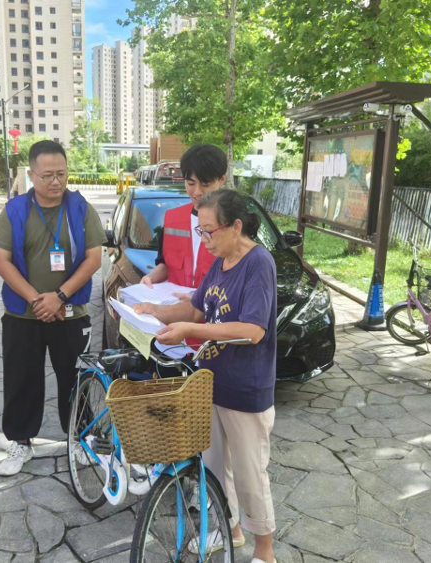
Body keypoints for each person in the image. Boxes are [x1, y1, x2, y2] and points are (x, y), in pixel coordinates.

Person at [135, 189, 277, 563]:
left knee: (250, 474)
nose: (205, 241)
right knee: (214, 470)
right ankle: (229, 531)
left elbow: (253, 329)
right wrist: (149, 310)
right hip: (210, 382)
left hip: (246, 388)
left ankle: (266, 552)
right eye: (201, 232)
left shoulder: (258, 263)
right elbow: (196, 311)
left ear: (236, 227)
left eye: (210, 232)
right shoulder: (220, 263)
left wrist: (187, 330)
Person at [0, 140, 107, 476]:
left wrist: (60, 296)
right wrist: (37, 300)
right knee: (21, 380)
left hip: (70, 313)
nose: (55, 182)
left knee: (76, 379)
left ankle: (79, 438)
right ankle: (21, 443)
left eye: (61, 174)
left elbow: (93, 258)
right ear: (31, 175)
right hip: (22, 315)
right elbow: (1, 261)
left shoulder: (80, 208)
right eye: (47, 176)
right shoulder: (15, 210)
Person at [140, 144, 227, 299]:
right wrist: (151, 278)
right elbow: (166, 265)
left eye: (205, 184)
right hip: (175, 311)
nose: (197, 192)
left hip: (214, 316)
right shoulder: (172, 219)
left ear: (221, 180)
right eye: (191, 183)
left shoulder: (232, 225)